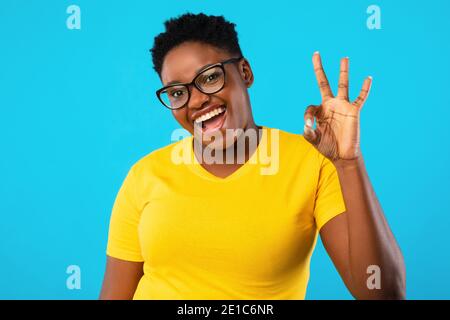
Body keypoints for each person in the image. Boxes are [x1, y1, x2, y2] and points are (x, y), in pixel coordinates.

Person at [99, 13, 405, 300]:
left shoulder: (311, 163)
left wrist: (348, 163)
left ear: (244, 72)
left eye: (209, 78)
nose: (196, 101)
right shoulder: (145, 175)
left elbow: (382, 292)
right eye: (178, 92)